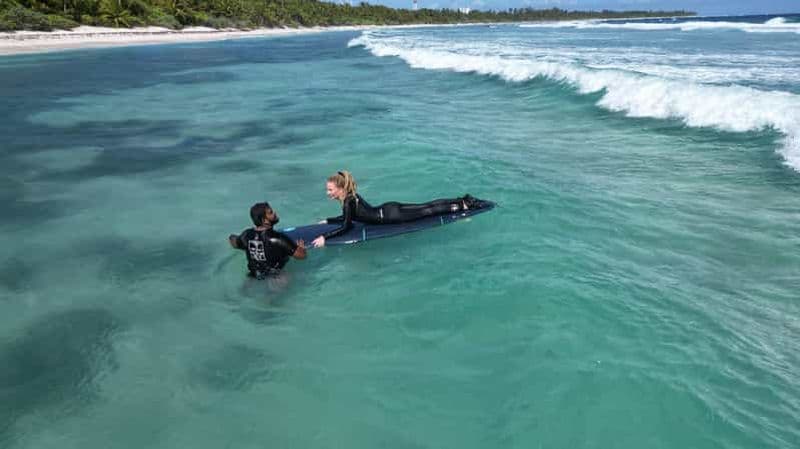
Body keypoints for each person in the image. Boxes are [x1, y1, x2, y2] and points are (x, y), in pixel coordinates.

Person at [312, 171, 481, 247]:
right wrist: (328, 220)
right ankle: (462, 200)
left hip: (392, 216)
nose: (328, 193)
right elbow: (349, 218)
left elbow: (347, 226)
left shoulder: (348, 201)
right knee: (426, 206)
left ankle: (464, 205)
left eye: (330, 190)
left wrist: (324, 238)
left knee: (428, 211)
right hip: (389, 208)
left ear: (340, 189)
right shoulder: (350, 196)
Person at [229, 202, 306, 278]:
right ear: (264, 220)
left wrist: (236, 240)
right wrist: (302, 248)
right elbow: (301, 256)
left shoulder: (246, 235)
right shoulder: (278, 239)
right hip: (276, 277)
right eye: (271, 212)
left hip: (253, 276)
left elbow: (234, 243)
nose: (274, 213)